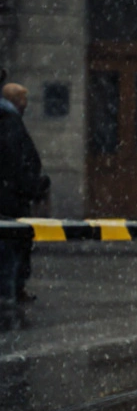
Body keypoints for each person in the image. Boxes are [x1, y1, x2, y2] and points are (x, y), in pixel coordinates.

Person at [1, 81, 49, 322]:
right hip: (11, 199)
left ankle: (12, 291)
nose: (26, 105)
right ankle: (9, 294)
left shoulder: (9, 122)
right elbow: (17, 164)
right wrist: (34, 187)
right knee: (14, 247)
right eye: (24, 100)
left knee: (13, 245)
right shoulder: (10, 124)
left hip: (10, 196)